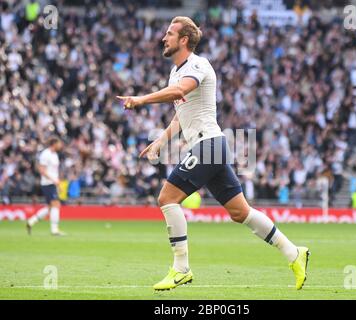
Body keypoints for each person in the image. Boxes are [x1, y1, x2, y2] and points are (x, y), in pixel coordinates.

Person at [116, 16, 310, 291]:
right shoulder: (175, 72)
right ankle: (294, 253)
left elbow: (180, 91)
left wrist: (141, 99)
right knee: (240, 212)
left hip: (208, 145)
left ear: (183, 40)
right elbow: (180, 116)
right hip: (212, 147)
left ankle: (181, 268)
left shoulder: (198, 65)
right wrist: (160, 141)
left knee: (167, 198)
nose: (164, 38)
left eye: (170, 34)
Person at [26, 137, 65, 236]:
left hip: (53, 183)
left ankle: (31, 221)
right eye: (59, 143)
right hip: (47, 183)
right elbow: (42, 170)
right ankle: (54, 230)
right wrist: (53, 180)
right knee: (56, 205)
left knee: (50, 207)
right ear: (54, 143)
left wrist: (57, 181)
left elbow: (54, 170)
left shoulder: (55, 155)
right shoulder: (45, 154)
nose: (60, 145)